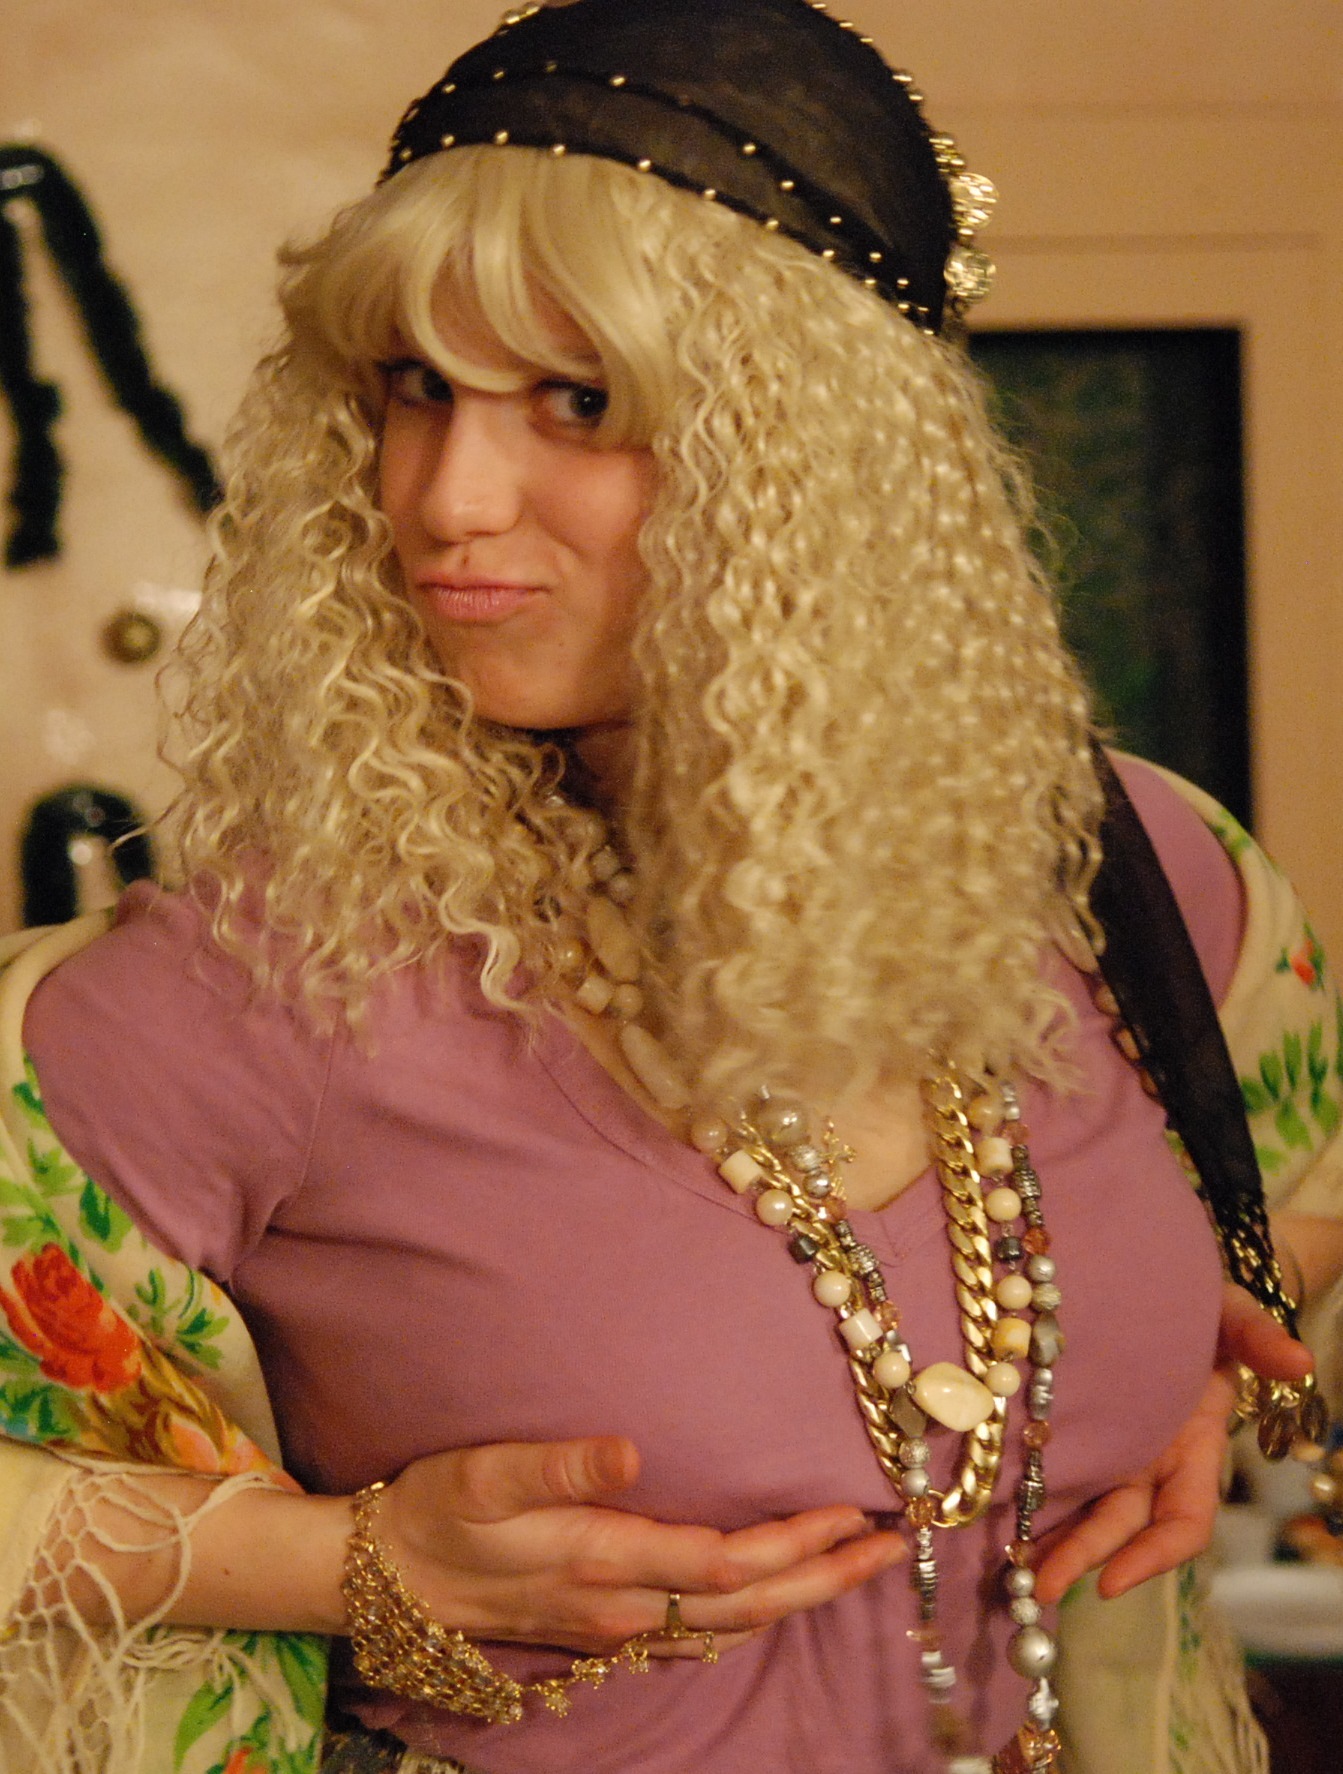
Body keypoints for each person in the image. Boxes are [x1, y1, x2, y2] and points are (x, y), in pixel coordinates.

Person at [0, 4, 1337, 1773]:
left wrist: (1191, 1346)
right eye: (415, 389)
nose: (445, 498)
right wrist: (347, 1563)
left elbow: (1294, 1186)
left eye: (582, 401)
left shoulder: (1139, 872)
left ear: (824, 457)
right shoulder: (258, 987)